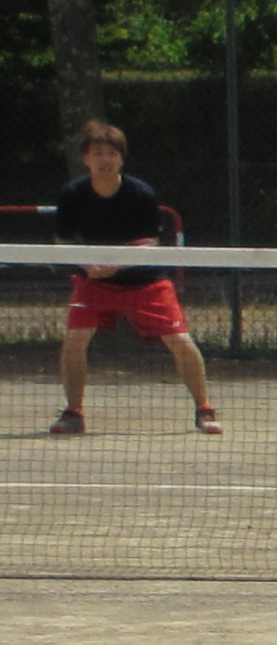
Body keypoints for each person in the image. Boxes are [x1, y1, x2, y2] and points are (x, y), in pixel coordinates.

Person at [46, 120, 219, 437]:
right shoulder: (72, 195)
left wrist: (118, 263)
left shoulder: (141, 193)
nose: (105, 159)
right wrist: (88, 264)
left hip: (145, 282)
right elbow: (63, 242)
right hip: (93, 282)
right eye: (98, 153)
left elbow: (148, 242)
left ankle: (204, 409)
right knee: (74, 340)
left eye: (112, 152)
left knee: (180, 341)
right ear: (86, 159)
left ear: (121, 158)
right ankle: (74, 413)